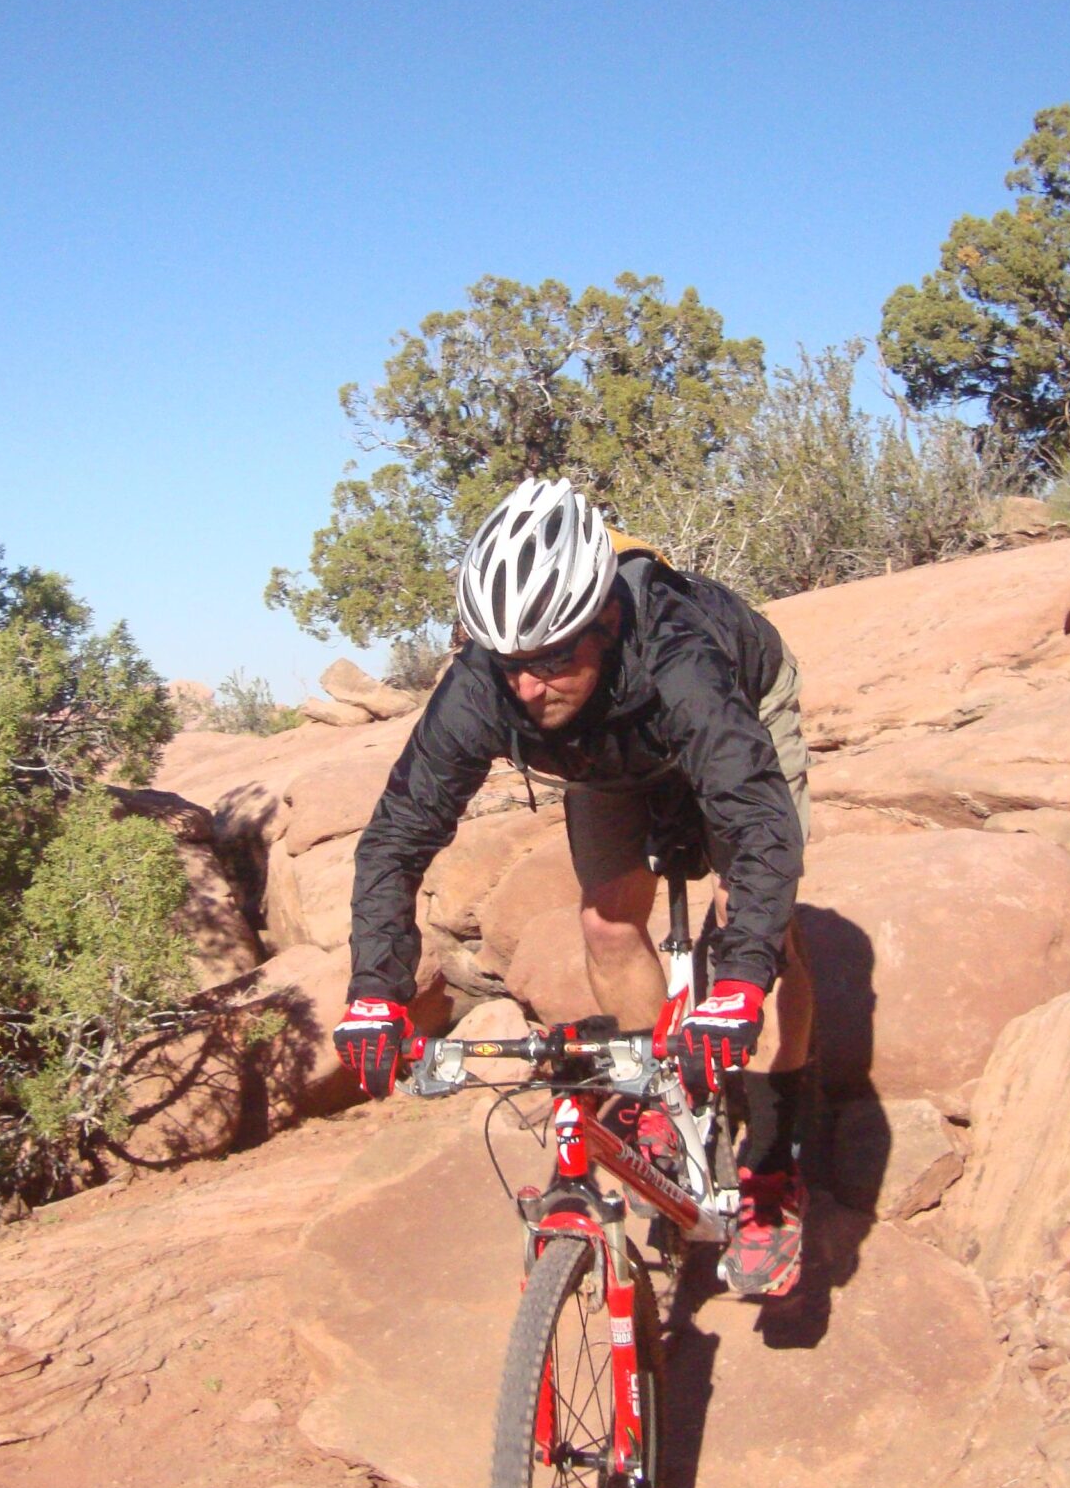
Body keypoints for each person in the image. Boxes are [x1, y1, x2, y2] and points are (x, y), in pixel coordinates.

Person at [333, 477, 816, 1299]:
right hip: (605, 759)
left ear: (604, 620)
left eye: (555, 657)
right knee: (604, 923)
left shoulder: (679, 649)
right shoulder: (488, 684)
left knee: (754, 916)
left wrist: (738, 987)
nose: (529, 686)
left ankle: (773, 1156)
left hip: (732, 712)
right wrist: (375, 991)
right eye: (512, 664)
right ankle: (661, 1099)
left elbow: (759, 820)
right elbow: (396, 837)